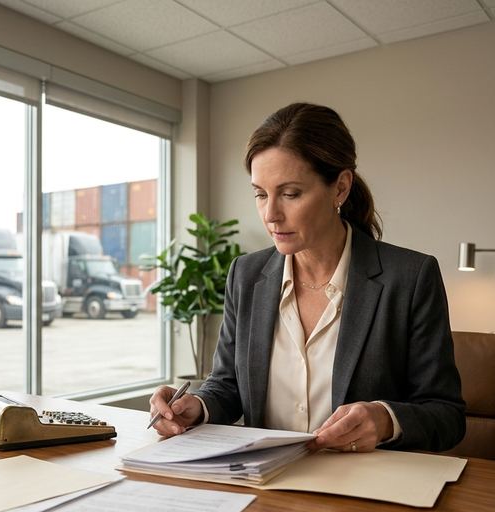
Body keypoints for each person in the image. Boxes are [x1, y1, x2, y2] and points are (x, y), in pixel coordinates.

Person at [149, 102, 465, 453]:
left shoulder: (410, 277)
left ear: (340, 188)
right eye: (260, 194)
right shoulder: (245, 275)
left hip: (365, 492)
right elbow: (228, 386)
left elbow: (447, 415)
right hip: (265, 485)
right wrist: (196, 407)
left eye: (290, 194)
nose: (270, 215)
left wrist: (385, 418)